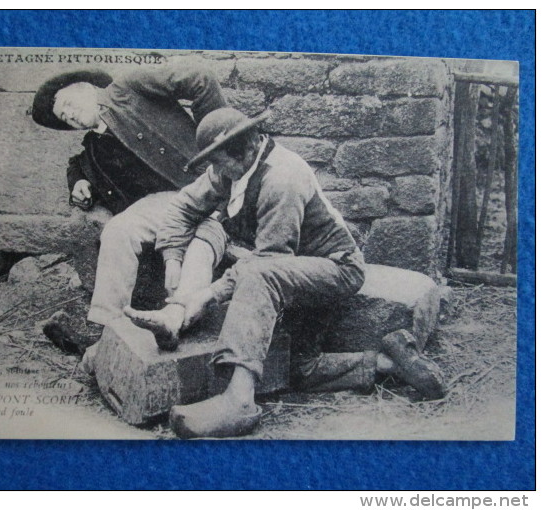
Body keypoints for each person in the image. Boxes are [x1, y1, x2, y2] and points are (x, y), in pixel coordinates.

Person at [124, 108, 446, 438]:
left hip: (334, 269)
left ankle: (238, 401)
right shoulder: (231, 170)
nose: (214, 171)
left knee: (255, 274)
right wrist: (173, 259)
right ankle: (389, 362)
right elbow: (183, 207)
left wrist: (209, 294)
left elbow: (268, 263)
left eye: (218, 161)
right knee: (297, 369)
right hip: (294, 270)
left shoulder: (282, 178)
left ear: (244, 149)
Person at [31, 65, 229, 350]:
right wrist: (77, 183)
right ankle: (107, 330)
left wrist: (219, 146)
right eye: (65, 118)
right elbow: (77, 164)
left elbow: (201, 76)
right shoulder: (94, 147)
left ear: (87, 88)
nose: (70, 116)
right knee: (118, 230)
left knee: (202, 242)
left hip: (206, 187)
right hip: (167, 205)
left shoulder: (128, 88)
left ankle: (170, 321)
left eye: (68, 105)